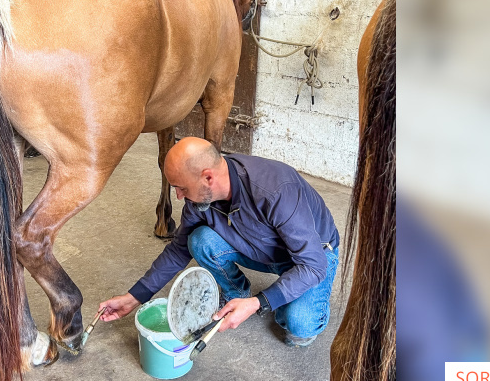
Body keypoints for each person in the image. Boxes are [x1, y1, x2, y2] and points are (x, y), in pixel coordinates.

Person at [99, 137, 340, 347]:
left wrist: (259, 303)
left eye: (181, 188)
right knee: (200, 240)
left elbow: (312, 265)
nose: (179, 196)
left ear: (208, 177)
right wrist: (135, 297)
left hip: (311, 257)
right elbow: (178, 251)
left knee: (299, 324)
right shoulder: (200, 199)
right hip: (260, 246)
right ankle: (236, 293)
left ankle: (314, 307)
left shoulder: (275, 190)